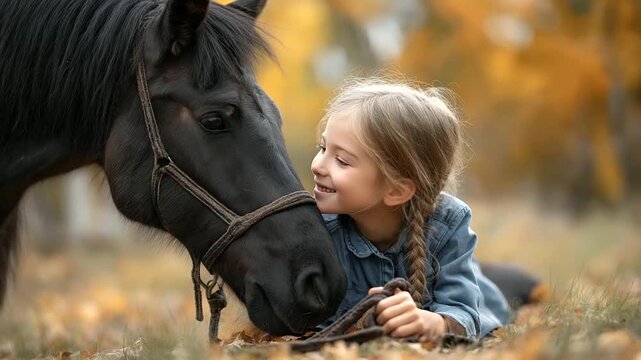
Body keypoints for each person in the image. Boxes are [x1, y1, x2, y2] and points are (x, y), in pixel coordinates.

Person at [310, 78, 511, 340]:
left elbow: (464, 312)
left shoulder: (447, 224)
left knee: (496, 288)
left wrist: (432, 323)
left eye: (341, 161)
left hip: (487, 299)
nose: (317, 166)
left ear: (396, 190)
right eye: (323, 148)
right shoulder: (315, 226)